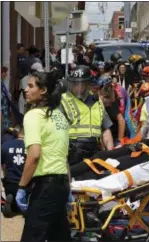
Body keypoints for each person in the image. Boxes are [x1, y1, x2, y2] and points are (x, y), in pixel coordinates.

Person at [69, 74, 149, 180]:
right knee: (101, 156)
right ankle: (66, 174)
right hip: (143, 144)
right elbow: (142, 133)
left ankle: (83, 182)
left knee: (116, 164)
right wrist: (124, 143)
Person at [16, 70, 71, 241]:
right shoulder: (60, 116)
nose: (26, 89)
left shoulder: (33, 115)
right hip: (61, 185)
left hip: (46, 186)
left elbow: (34, 156)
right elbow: (64, 157)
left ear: (44, 90)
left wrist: (22, 187)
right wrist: (68, 186)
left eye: (31, 86)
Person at [60, 65, 114, 167]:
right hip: (72, 152)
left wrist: (109, 154)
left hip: (94, 151)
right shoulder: (63, 100)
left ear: (88, 84)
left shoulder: (97, 101)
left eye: (80, 84)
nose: (77, 88)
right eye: (74, 84)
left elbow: (106, 130)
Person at [1, 125, 26, 218]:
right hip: (25, 184)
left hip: (10, 182)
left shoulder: (5, 145)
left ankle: (10, 196)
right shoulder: (30, 146)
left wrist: (5, 175)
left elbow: (3, 165)